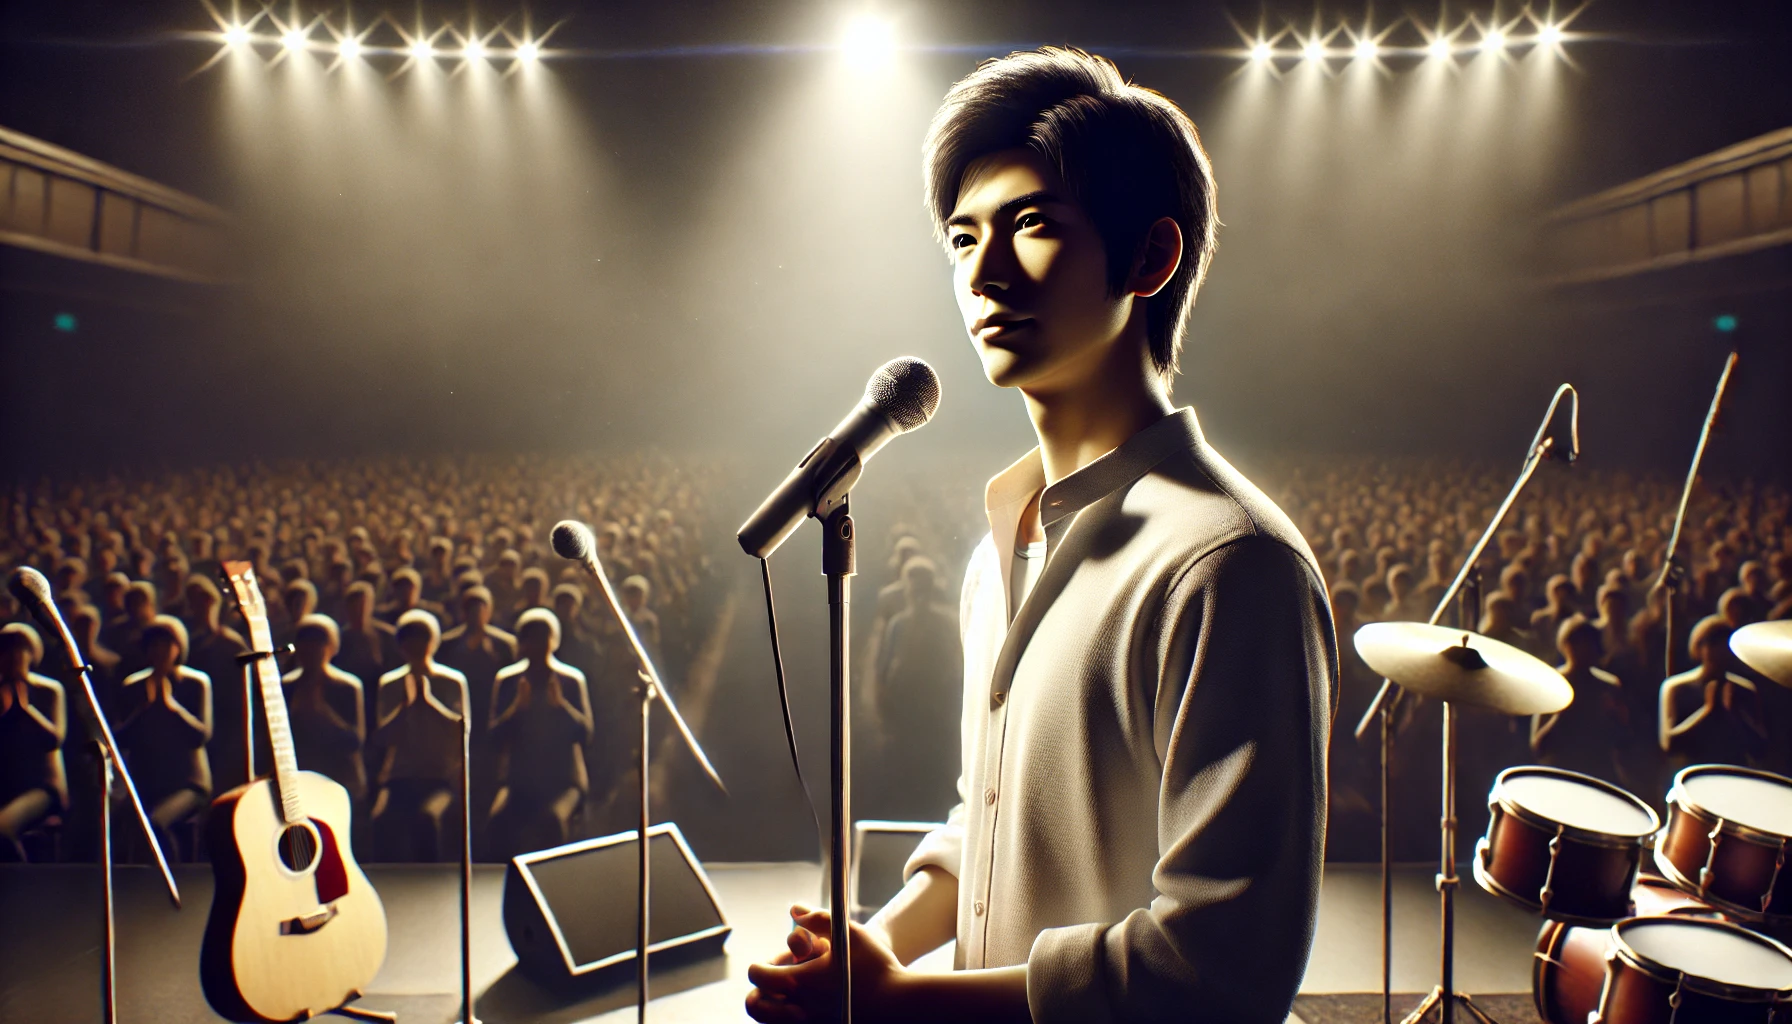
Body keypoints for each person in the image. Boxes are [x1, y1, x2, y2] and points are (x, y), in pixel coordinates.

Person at [747, 47, 1335, 1024]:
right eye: (961, 237)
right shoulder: (1000, 547)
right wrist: (879, 943)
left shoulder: (1229, 567)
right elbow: (988, 820)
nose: (981, 271)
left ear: (1150, 257)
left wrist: (899, 1004)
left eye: (1031, 226)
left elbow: (1224, 968)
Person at [489, 609, 593, 861]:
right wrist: (517, 708)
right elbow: (494, 737)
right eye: (530, 639)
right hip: (520, 782)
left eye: (541, 638)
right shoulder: (509, 680)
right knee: (497, 824)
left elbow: (586, 734)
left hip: (563, 781)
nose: (535, 646)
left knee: (553, 822)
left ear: (554, 640)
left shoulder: (570, 680)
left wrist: (561, 707)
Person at [113, 616, 213, 862]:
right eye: (155, 645)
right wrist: (142, 711)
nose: (161, 651)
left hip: (188, 783)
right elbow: (121, 739)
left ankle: (173, 880)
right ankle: (132, 886)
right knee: (118, 820)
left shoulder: (196, 683)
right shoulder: (133, 686)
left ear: (179, 648)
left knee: (155, 823)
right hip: (147, 782)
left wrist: (171, 707)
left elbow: (201, 736)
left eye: (167, 645)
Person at [369, 609, 465, 862]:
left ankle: (430, 882)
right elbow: (383, 737)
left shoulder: (452, 681)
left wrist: (428, 703)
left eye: (422, 639)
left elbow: (462, 731)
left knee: (428, 819)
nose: (416, 646)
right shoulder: (390, 684)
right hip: (400, 778)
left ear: (433, 641)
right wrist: (405, 709)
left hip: (439, 779)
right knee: (381, 820)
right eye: (409, 640)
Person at [1530, 616, 1631, 787]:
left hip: (1599, 775)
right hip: (1561, 777)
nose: (1584, 650)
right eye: (1577, 643)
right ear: (1565, 646)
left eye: (1589, 644)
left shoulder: (1608, 686)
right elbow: (1538, 746)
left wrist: (1615, 715)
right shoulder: (1551, 683)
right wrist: (1561, 716)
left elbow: (1624, 741)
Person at [1659, 615, 1767, 769]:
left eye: (1725, 644)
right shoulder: (1676, 688)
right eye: (1713, 643)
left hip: (1734, 777)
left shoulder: (1744, 690)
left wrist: (1734, 713)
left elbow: (1760, 750)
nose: (1719, 651)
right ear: (1698, 647)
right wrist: (1708, 711)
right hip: (1691, 778)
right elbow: (1670, 744)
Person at [280, 615, 367, 805]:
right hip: (300, 778)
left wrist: (322, 712)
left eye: (317, 644)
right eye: (305, 644)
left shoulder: (347, 686)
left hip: (339, 779)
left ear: (332, 647)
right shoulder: (287, 686)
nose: (310, 650)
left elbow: (354, 741)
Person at [0, 624, 68, 862]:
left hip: (43, 788)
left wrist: (25, 710)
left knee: (1, 828)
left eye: (21, 650)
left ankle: (26, 886)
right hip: (7, 785)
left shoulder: (49, 690)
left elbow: (55, 739)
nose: (14, 657)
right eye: (7, 651)